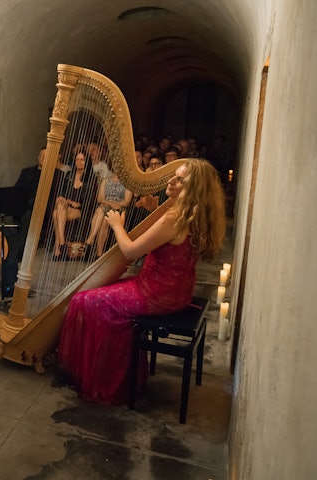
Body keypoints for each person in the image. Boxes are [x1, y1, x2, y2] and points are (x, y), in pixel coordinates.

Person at [57, 158, 225, 405]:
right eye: (174, 176)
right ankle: (119, 369)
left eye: (180, 180)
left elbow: (131, 251)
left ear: (194, 190)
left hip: (155, 293)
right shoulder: (194, 214)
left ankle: (109, 379)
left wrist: (116, 225)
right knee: (103, 292)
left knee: (86, 300)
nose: (171, 181)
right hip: (177, 290)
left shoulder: (173, 218)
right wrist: (152, 208)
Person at [2, 146, 45, 296]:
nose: (42, 158)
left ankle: (19, 249)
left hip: (40, 209)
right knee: (13, 219)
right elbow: (16, 189)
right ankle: (16, 250)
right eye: (41, 155)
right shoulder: (27, 172)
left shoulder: (54, 174)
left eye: (46, 156)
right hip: (23, 205)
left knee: (28, 216)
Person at [82, 170, 133, 259]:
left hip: (119, 210)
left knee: (101, 211)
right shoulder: (106, 179)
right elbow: (99, 198)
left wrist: (113, 204)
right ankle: (99, 254)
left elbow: (127, 202)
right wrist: (108, 204)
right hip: (105, 207)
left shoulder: (128, 181)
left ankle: (91, 240)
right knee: (103, 216)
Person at [50, 151, 92, 259]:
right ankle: (61, 245)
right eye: (77, 159)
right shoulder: (69, 175)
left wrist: (75, 203)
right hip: (66, 207)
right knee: (57, 210)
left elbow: (89, 200)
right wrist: (62, 198)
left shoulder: (90, 179)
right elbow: (62, 192)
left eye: (82, 160)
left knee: (56, 214)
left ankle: (58, 248)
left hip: (80, 210)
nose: (79, 162)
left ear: (87, 162)